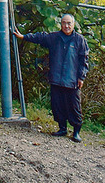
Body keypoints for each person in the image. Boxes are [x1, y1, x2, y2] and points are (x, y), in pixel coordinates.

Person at [13, 13, 89, 143]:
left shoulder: (79, 40)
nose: (66, 26)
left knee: (74, 107)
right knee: (57, 105)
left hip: (72, 81)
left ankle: (76, 131)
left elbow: (84, 60)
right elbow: (40, 37)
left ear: (73, 24)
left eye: (69, 23)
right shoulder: (54, 38)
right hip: (56, 79)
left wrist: (81, 77)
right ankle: (62, 128)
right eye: (64, 23)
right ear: (61, 24)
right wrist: (23, 37)